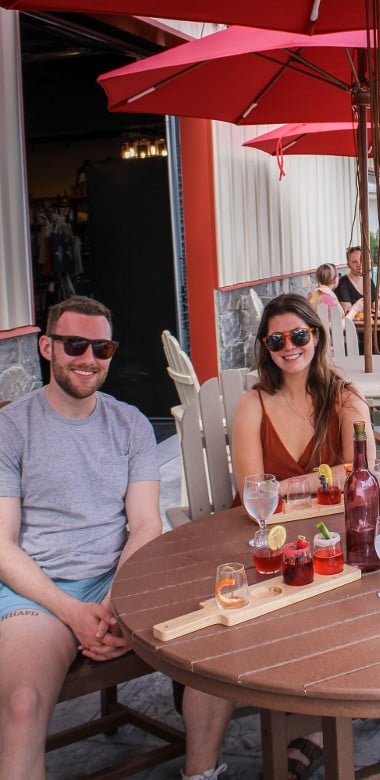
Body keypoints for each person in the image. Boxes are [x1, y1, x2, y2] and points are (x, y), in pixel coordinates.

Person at [181, 293, 376, 780]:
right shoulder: (253, 404)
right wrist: (327, 476)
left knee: (350, 616)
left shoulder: (345, 397)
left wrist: (297, 483)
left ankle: (313, 729)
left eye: (299, 335)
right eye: (276, 339)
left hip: (332, 543)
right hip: (263, 543)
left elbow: (366, 469)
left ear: (317, 336)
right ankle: (199, 769)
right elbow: (253, 494)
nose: (289, 346)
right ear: (266, 348)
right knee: (218, 632)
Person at [0, 296, 161, 780]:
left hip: (121, 580)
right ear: (46, 347)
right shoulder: (11, 428)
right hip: (41, 589)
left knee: (214, 641)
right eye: (75, 345)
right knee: (24, 704)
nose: (89, 359)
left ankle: (201, 766)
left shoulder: (130, 423)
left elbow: (146, 525)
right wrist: (74, 613)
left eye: (102, 347)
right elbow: (2, 545)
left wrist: (115, 603)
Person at [334, 246, 375, 314]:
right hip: (352, 323)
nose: (359, 264)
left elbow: (375, 303)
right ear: (348, 265)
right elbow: (347, 311)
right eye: (354, 262)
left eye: (361, 260)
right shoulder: (342, 283)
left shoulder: (368, 280)